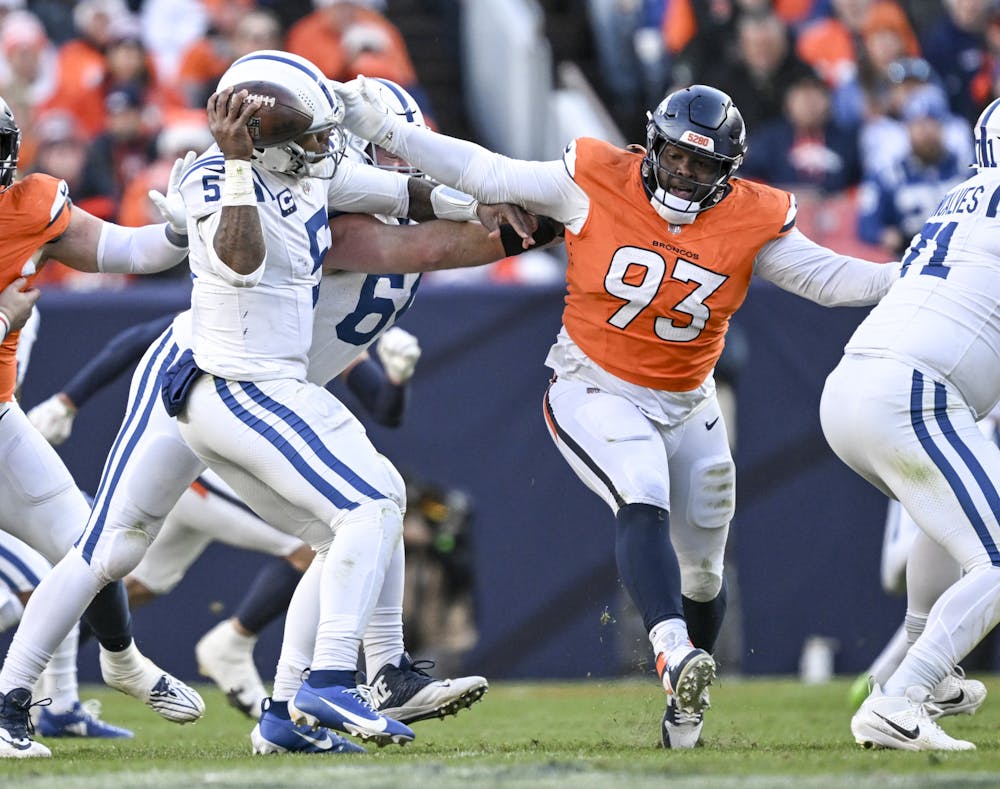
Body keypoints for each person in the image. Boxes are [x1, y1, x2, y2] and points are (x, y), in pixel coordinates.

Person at [0, 51, 550, 759]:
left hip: (261, 382)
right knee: (110, 546)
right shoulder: (212, 176)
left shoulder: (308, 167)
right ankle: (25, 692)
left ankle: (312, 698)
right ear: (258, 135)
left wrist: (477, 200)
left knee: (351, 513)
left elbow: (400, 193)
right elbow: (241, 259)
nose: (328, 149)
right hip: (208, 375)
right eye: (315, 135)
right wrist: (233, 170)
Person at [334, 78, 902, 749]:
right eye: (677, 157)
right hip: (593, 385)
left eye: (703, 165)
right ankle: (671, 649)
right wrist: (388, 131)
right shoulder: (596, 175)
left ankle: (685, 710)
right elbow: (486, 171)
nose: (685, 174)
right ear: (653, 144)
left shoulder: (752, 216)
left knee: (705, 571)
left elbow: (832, 280)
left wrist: (916, 272)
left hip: (690, 401)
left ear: (729, 173)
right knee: (643, 487)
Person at [0, 92, 198, 759]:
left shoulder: (29, 205)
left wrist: (175, 230)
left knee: (87, 544)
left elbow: (124, 251)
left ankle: (122, 659)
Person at [819, 95, 1000, 751]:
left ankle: (926, 663)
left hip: (853, 387)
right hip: (911, 391)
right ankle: (903, 696)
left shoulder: (961, 196)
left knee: (942, 518)